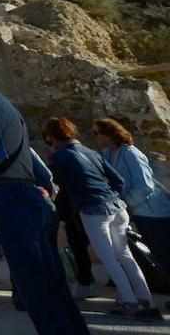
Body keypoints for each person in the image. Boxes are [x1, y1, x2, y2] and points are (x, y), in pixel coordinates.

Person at [0, 55, 89, 335]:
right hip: (30, 197)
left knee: (32, 283)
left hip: (10, 196)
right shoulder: (5, 106)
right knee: (53, 279)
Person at [44, 116, 158, 319]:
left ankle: (130, 303)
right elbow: (118, 180)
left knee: (109, 259)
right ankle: (146, 301)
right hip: (117, 207)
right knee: (125, 256)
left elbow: (56, 188)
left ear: (52, 137)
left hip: (94, 210)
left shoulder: (60, 157)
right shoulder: (90, 152)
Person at [95, 116, 170, 271]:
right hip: (137, 211)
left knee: (163, 253)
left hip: (152, 213)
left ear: (109, 134)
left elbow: (145, 186)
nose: (95, 136)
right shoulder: (109, 154)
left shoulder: (131, 154)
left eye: (97, 133)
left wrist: (127, 203)